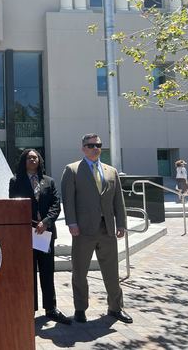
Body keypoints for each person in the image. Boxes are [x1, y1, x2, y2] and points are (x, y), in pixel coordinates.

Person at [61, 133, 132, 324]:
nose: (95, 148)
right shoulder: (73, 169)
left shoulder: (111, 171)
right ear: (83, 147)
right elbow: (68, 200)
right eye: (91, 145)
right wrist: (72, 223)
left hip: (107, 229)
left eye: (98, 145)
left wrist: (121, 223)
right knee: (80, 271)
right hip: (83, 230)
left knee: (111, 271)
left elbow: (119, 200)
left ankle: (115, 307)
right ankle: (80, 309)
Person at [9, 149, 71, 325]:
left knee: (47, 271)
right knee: (28, 272)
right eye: (29, 157)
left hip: (46, 233)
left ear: (40, 160)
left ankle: (51, 308)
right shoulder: (15, 181)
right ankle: (30, 308)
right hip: (26, 234)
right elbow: (13, 205)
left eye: (35, 157)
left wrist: (46, 221)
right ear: (24, 161)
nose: (32, 160)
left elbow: (55, 205)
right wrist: (30, 223)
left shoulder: (49, 181)